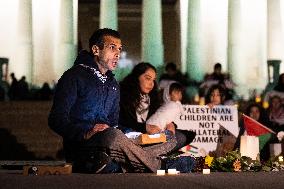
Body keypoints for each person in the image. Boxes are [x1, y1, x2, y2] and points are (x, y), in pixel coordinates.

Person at [48, 28, 194, 174]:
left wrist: (135, 135)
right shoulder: (74, 76)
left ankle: (114, 165)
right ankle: (161, 165)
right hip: (85, 145)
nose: (118, 54)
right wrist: (86, 132)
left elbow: (115, 124)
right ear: (96, 50)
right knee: (113, 136)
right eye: (112, 48)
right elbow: (56, 119)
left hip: (115, 146)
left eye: (119, 49)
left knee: (169, 138)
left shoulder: (113, 85)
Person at [119, 62, 196, 152]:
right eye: (148, 78)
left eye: (153, 80)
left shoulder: (152, 98)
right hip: (133, 136)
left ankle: (149, 153)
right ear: (136, 77)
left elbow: (161, 115)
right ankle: (146, 154)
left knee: (182, 136)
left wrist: (171, 125)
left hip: (153, 136)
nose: (151, 84)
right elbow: (123, 122)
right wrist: (146, 127)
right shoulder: (123, 96)